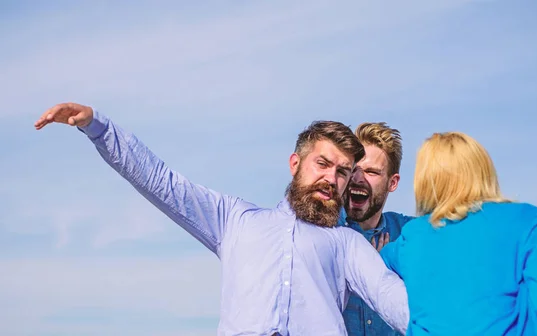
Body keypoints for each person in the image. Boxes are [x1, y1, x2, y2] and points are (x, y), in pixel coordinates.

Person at [34, 103, 410, 336]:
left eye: (343, 172)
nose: (332, 179)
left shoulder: (347, 244)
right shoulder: (235, 219)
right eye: (323, 164)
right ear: (296, 164)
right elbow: (162, 182)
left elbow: (393, 300)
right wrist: (99, 128)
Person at [380, 131, 537, 335]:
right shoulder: (529, 220)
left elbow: (378, 264)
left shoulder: (412, 237)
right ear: (483, 169)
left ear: (426, 181)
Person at [337, 122, 414, 336]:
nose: (358, 178)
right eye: (353, 169)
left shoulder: (409, 235)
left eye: (371, 172)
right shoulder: (323, 234)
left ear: (393, 182)